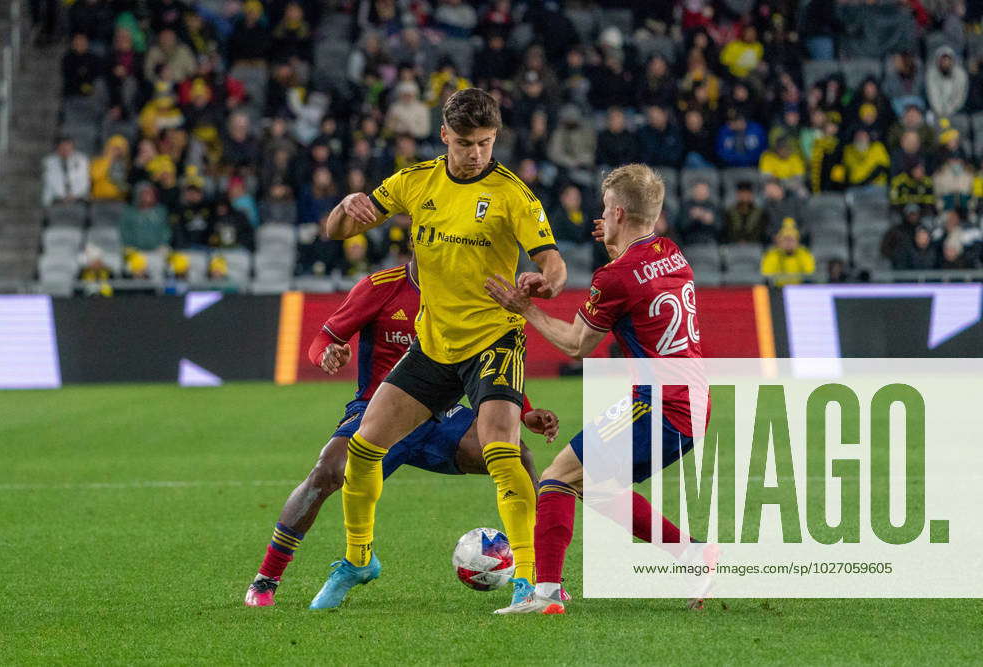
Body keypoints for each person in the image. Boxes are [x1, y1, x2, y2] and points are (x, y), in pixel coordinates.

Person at [309, 88, 566, 610]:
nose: (477, 154)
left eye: (487, 143)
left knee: (501, 448)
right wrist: (343, 209)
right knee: (363, 447)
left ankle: (532, 583)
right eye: (467, 143)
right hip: (434, 343)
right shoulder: (415, 181)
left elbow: (555, 264)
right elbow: (337, 231)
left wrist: (544, 282)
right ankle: (359, 562)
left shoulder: (513, 193)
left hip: (494, 338)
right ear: (446, 135)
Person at [244, 259, 560, 606]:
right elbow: (324, 338)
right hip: (376, 413)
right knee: (326, 470)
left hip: (441, 416)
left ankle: (543, 577)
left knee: (518, 455)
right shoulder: (380, 287)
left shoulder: (472, 289)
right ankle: (266, 579)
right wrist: (327, 355)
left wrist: (526, 411)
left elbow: (492, 361)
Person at [484, 164, 708, 614]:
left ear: (620, 212)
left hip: (662, 406)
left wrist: (523, 306)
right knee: (595, 486)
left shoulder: (616, 276)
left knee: (556, 479)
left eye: (607, 209)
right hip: (689, 400)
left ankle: (545, 595)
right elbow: (632, 283)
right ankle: (695, 555)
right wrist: (615, 238)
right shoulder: (672, 252)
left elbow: (576, 345)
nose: (600, 217)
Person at [760, 219, 815, 286]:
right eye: (785, 239)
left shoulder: (804, 254)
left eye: (792, 240)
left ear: (797, 242)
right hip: (777, 290)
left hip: (800, 289)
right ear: (779, 242)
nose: (789, 243)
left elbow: (809, 274)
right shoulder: (772, 254)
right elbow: (767, 275)